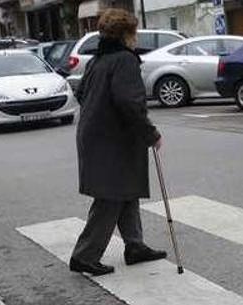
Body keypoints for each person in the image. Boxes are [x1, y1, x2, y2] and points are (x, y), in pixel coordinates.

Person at [68, 8, 166, 276]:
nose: (135, 38)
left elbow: (81, 93)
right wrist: (151, 133)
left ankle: (135, 246)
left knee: (126, 190)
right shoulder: (124, 60)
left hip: (97, 135)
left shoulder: (98, 60)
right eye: (133, 33)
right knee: (111, 195)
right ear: (126, 34)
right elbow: (130, 103)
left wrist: (99, 113)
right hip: (113, 139)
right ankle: (85, 255)